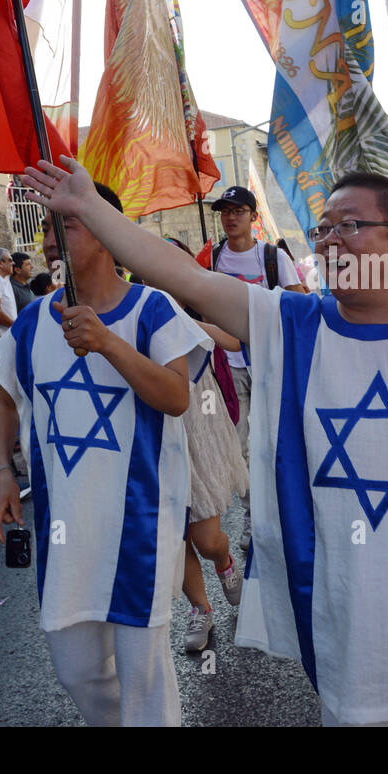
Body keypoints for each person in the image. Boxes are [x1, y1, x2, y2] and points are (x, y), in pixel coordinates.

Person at [20, 156, 388, 727]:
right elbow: (184, 276)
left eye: (348, 226)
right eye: (322, 229)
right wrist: (87, 206)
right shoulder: (292, 324)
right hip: (345, 637)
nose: (329, 241)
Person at [0, 185, 211, 727]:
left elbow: (176, 397)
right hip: (66, 527)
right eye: (45, 228)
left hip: (140, 523)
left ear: (110, 233)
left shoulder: (152, 309)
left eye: (68, 225)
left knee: (144, 678)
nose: (49, 240)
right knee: (77, 669)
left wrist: (108, 342)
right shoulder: (33, 321)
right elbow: (2, 400)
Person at [209, 185, 307, 551]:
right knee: (240, 447)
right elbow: (206, 303)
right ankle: (255, 519)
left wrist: (264, 316)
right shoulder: (215, 256)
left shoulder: (271, 257)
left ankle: (287, 512)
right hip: (229, 365)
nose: (230, 218)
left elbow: (298, 303)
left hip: (268, 362)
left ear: (253, 216)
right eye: (224, 211)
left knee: (274, 440)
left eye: (238, 211)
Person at [164, 238, 249, 654]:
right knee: (174, 533)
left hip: (199, 422)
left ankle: (225, 563)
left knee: (206, 536)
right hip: (155, 427)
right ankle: (200, 609)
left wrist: (182, 319)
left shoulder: (192, 304)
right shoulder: (131, 306)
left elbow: (234, 342)